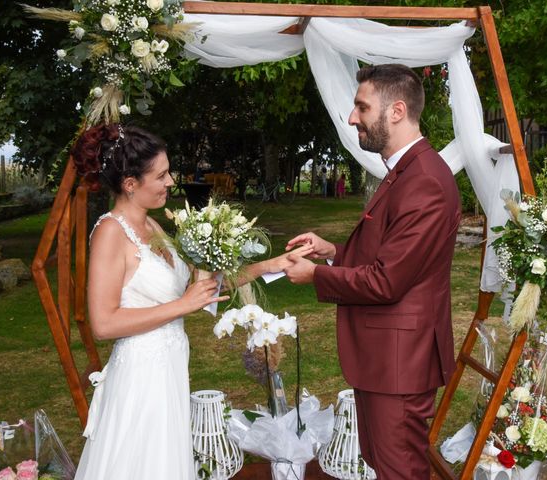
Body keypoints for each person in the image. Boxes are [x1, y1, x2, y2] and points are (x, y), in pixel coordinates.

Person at [71, 124, 310, 480]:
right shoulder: (110, 233)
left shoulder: (153, 228)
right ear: (130, 183)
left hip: (169, 367)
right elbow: (104, 323)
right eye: (161, 175)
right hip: (140, 375)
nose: (171, 182)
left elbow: (200, 288)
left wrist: (268, 266)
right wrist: (183, 306)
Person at [284, 64, 460, 479]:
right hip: (387, 359)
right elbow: (390, 255)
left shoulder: (425, 181)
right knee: (384, 464)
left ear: (396, 111)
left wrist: (315, 276)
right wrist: (332, 253)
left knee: (400, 470)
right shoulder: (403, 171)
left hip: (401, 362)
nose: (351, 117)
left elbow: (387, 280)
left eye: (361, 107)